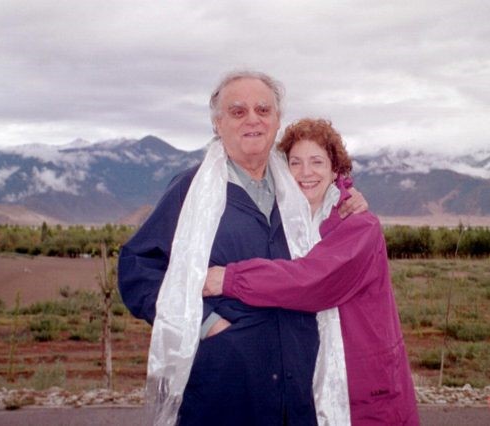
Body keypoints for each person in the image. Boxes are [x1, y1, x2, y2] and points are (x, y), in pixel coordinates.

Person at [118, 71, 365, 425]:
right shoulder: (193, 190)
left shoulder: (297, 190)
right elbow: (139, 267)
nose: (253, 119)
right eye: (238, 112)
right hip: (224, 389)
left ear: (278, 121)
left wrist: (351, 199)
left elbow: (332, 226)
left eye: (263, 110)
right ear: (217, 124)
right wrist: (205, 324)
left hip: (298, 389)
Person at [203, 118, 420, 425]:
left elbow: (311, 281)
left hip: (362, 382)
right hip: (305, 380)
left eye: (317, 161)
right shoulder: (285, 226)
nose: (306, 172)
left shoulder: (360, 225)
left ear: (335, 170)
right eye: (295, 162)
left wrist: (227, 278)